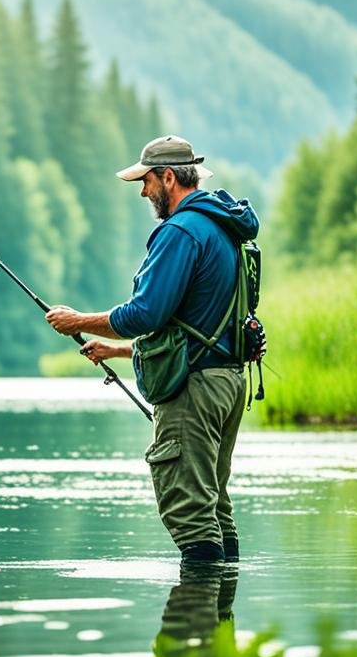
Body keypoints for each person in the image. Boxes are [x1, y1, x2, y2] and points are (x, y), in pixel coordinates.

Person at [45, 135, 259, 564]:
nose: (143, 192)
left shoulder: (180, 231)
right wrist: (117, 351)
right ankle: (220, 603)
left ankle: (196, 607)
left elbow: (146, 313)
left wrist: (78, 321)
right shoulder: (224, 229)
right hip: (228, 382)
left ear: (168, 177)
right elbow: (196, 324)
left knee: (189, 511)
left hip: (195, 390)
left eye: (146, 181)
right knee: (214, 506)